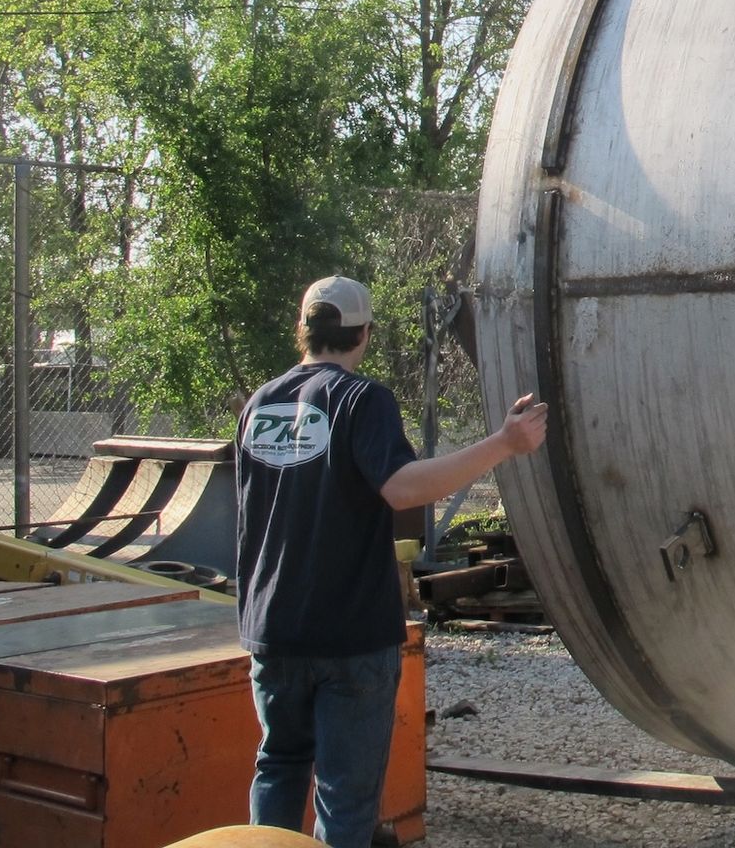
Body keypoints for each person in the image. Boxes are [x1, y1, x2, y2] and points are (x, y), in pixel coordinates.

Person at [235, 275, 548, 847]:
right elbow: (403, 489)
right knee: (345, 800)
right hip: (349, 637)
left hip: (272, 630)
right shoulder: (361, 399)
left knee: (278, 767)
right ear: (364, 335)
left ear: (302, 330)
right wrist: (503, 443)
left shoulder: (260, 404)